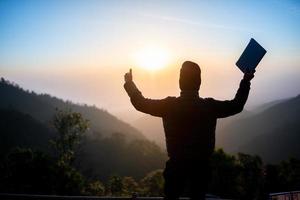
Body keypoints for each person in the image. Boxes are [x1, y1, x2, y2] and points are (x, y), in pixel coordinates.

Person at [124, 61, 254, 200]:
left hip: (176, 167)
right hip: (201, 169)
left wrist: (130, 84)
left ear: (180, 82)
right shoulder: (209, 107)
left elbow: (141, 104)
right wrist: (245, 80)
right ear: (199, 82)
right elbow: (236, 105)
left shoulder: (169, 106)